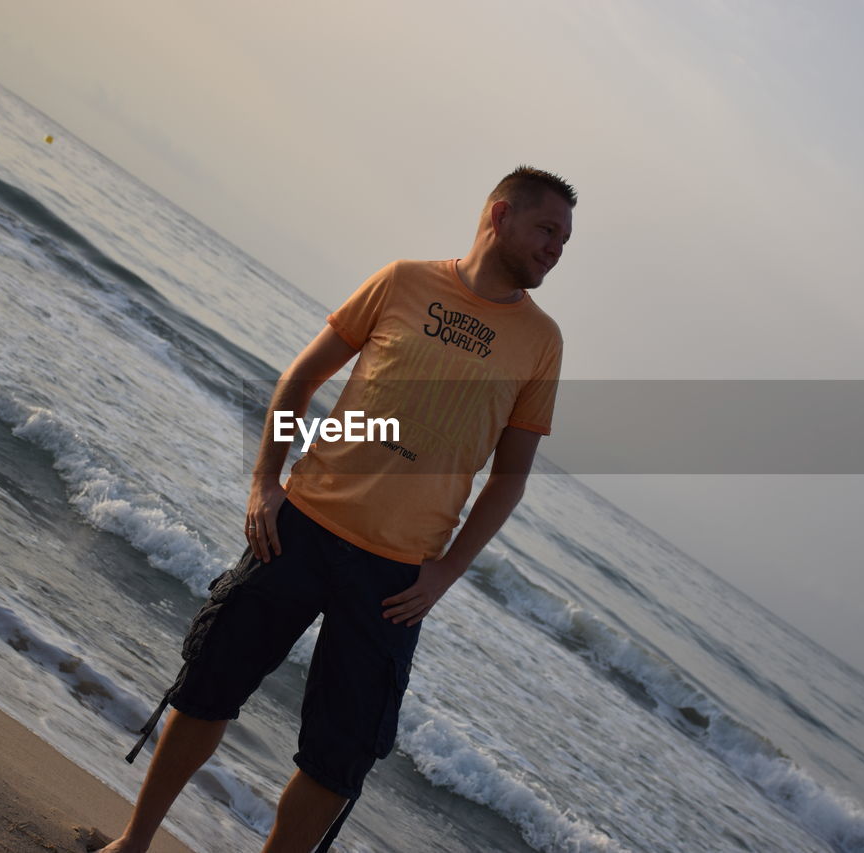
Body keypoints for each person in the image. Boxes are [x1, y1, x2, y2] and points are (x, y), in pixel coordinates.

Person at [101, 166, 575, 853]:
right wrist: (264, 481)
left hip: (393, 579)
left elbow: (510, 477)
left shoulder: (542, 341)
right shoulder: (404, 280)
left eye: (565, 239)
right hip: (301, 527)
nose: (557, 248)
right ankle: (133, 843)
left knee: (338, 757)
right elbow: (299, 379)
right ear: (500, 217)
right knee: (209, 683)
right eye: (547, 229)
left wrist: (443, 574)